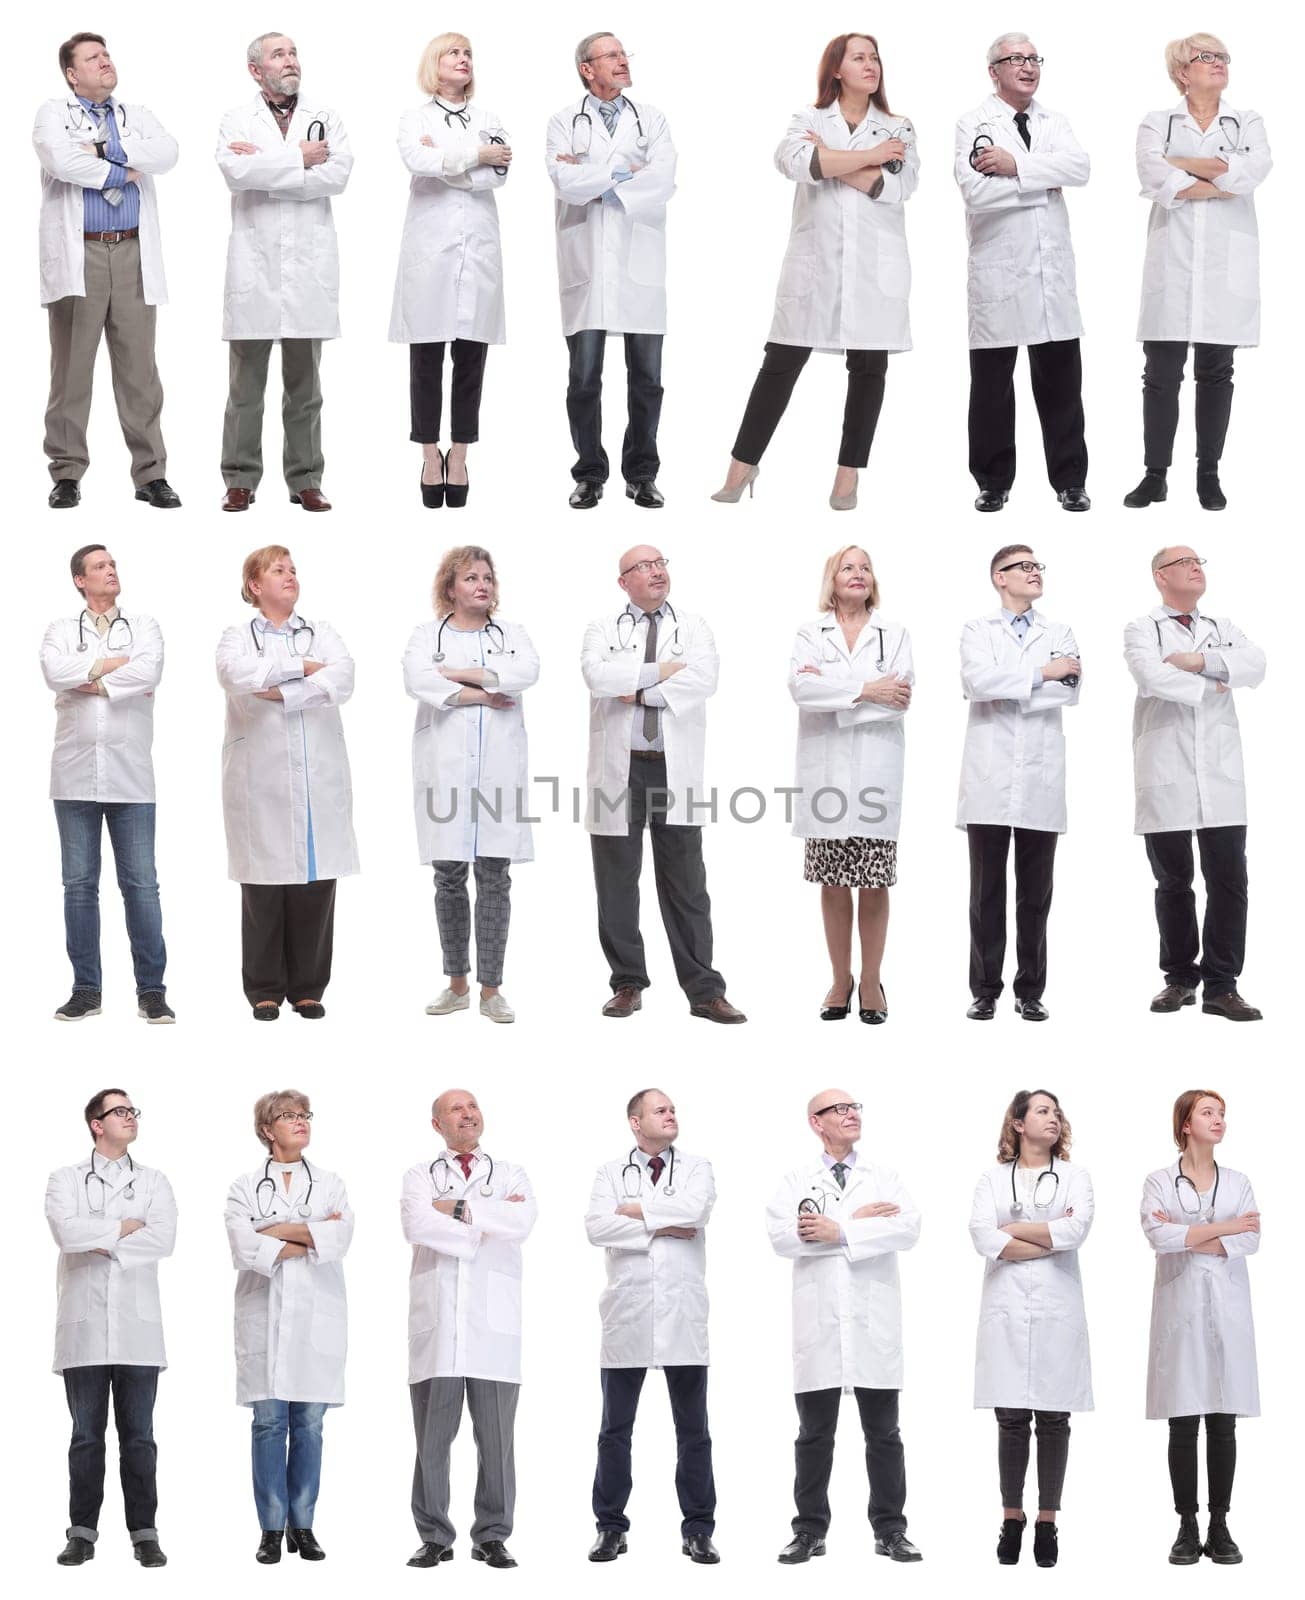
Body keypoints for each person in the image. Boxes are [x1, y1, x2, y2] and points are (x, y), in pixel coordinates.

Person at [713, 34, 918, 511]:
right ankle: (742, 467)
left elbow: (896, 187)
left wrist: (830, 160)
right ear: (836, 70)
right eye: (859, 58)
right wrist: (870, 156)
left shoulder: (900, 126)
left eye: (875, 57)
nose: (871, 65)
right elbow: (796, 163)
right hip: (815, 265)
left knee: (869, 367)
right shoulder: (807, 119)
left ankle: (848, 476)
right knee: (779, 363)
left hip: (875, 268)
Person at [581, 547, 745, 1023]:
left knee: (687, 884)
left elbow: (704, 679)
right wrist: (663, 673)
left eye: (661, 563)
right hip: (619, 768)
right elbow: (596, 675)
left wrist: (633, 689)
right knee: (616, 883)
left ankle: (704, 991)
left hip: (673, 767)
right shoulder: (601, 628)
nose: (656, 571)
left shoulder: (693, 626)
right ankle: (627, 983)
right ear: (623, 582)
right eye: (643, 567)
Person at [766, 1092, 923, 1565]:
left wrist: (836, 1231)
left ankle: (891, 1530)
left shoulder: (884, 1178)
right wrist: (854, 1223)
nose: (852, 1113)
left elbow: (908, 1230)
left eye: (855, 1106)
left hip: (873, 1325)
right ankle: (809, 1531)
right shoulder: (796, 1180)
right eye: (839, 1108)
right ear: (816, 1122)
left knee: (885, 1434)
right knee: (813, 1435)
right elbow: (782, 1237)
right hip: (819, 1328)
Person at [1126, 35, 1272, 512]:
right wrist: (1217, 177)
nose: (1219, 64)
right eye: (1206, 57)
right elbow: (1153, 177)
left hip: (1224, 268)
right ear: (1182, 72)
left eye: (1223, 57)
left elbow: (1250, 174)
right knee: (1160, 375)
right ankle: (1155, 475)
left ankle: (1208, 475)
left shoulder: (1247, 120)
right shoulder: (1156, 121)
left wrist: (1182, 167)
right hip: (1174, 265)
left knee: (1217, 373)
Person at [35, 34, 181, 510]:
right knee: (72, 372)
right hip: (84, 255)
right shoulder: (53, 115)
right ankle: (67, 473)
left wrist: (100, 152)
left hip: (134, 253)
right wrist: (121, 167)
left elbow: (167, 153)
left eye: (107, 54)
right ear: (72, 74)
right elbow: (62, 160)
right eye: (93, 58)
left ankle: (150, 475)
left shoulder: (134, 115)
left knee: (140, 373)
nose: (105, 61)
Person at [216, 547, 359, 1020]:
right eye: (278, 570)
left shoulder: (323, 632)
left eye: (293, 569)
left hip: (317, 774)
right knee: (263, 889)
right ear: (255, 585)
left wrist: (279, 689)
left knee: (314, 887)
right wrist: (304, 670)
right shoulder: (237, 637)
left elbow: (343, 679)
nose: (290, 576)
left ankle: (307, 987)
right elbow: (234, 674)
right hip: (262, 779)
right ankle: (264, 988)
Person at [1124, 547, 1265, 1020]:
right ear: (1160, 576)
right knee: (1173, 881)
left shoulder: (1225, 626)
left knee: (1229, 880)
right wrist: (1216, 672)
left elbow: (1257, 665)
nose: (1196, 566)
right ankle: (1181, 979)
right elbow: (1151, 674)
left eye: (1199, 560)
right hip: (1165, 771)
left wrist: (1192, 660)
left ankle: (1222, 986)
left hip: (1221, 775)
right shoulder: (1141, 628)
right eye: (1184, 562)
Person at [216, 33, 354, 513]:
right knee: (245, 389)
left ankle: (306, 477)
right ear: (256, 70)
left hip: (307, 271)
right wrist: (300, 160)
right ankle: (239, 478)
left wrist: (267, 169)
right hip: (255, 270)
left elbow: (337, 176)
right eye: (279, 54)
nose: (291, 60)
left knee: (305, 389)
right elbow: (235, 173)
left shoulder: (326, 116)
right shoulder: (237, 118)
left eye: (293, 52)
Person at [401, 1089, 537, 1571]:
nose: (468, 1114)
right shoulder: (420, 1175)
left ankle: (493, 1536)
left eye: (473, 1106)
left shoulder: (510, 1173)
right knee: (431, 1443)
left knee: (498, 1443)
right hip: (437, 1331)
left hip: (493, 1331)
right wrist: (485, 1218)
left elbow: (521, 1222)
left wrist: (454, 1209)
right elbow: (417, 1225)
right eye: (456, 1109)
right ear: (437, 1124)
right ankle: (434, 1536)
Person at [402, 547, 540, 1023]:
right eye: (470, 578)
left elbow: (526, 674)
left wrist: (455, 677)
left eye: (487, 578)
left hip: (498, 775)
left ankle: (491, 990)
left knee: (496, 879)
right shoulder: (426, 636)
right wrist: (484, 692)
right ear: (450, 588)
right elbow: (418, 680)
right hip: (446, 775)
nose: (482, 585)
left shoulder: (512, 634)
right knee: (449, 879)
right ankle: (456, 983)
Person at [954, 35, 1090, 514]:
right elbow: (976, 194)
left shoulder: (1056, 121)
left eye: (1034, 59)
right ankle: (992, 482)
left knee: (1062, 388)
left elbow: (1079, 168)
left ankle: (1070, 481)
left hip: (1051, 275)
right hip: (1000, 276)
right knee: (991, 390)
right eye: (1017, 59)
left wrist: (1016, 168)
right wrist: (1041, 180)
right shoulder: (973, 124)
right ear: (994, 70)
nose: (1029, 66)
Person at [584, 1088, 719, 1565]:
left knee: (694, 1431)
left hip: (683, 1316)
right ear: (635, 1122)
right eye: (660, 1110)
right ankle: (610, 1527)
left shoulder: (697, 1168)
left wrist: (636, 1212)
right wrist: (662, 1224)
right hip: (629, 1315)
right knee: (614, 1431)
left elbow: (696, 1211)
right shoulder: (608, 1172)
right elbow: (596, 1228)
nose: (671, 1114)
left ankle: (699, 1529)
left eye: (673, 1109)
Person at [40, 545, 173, 1024]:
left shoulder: (145, 628)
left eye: (113, 564)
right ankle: (86, 990)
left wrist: (88, 678)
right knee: (78, 887)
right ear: (80, 580)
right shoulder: (59, 630)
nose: (111, 570)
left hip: (131, 777)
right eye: (99, 566)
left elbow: (149, 670)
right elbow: (55, 672)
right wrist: (113, 669)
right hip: (73, 776)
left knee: (141, 887)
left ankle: (152, 992)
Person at [45, 1090, 177, 1568]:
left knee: (140, 1437)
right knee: (86, 1437)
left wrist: (100, 1234)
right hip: (83, 1329)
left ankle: (145, 1533)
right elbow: (66, 1233)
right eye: (120, 1111)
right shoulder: (64, 1179)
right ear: (96, 1124)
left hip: (138, 1332)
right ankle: (81, 1533)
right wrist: (125, 1226)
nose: (131, 1117)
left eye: (132, 1111)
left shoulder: (154, 1181)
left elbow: (163, 1238)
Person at [546, 34, 677, 509]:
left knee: (647, 381)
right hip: (586, 265)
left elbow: (663, 179)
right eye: (612, 56)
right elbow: (564, 182)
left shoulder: (653, 119)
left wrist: (595, 172)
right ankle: (589, 474)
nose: (623, 61)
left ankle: (642, 473)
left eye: (624, 54)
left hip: (638, 262)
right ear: (587, 68)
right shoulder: (563, 122)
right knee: (584, 380)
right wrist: (626, 171)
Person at [224, 1090, 354, 1565]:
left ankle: (304, 1524)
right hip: (264, 1320)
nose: (301, 1122)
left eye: (305, 1115)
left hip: (318, 1320)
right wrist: (310, 1231)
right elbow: (244, 1250)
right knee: (267, 1425)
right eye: (289, 1116)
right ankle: (271, 1528)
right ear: (266, 1129)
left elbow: (339, 1240)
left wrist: (273, 1229)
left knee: (310, 1426)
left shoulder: (331, 1182)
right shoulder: (243, 1186)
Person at [970, 1089, 1093, 1569]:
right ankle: (1011, 1518)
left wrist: (1013, 1232)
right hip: (1005, 1309)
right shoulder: (992, 1179)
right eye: (1042, 1111)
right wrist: (1048, 1237)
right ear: (1017, 1124)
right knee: (1011, 1420)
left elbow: (1077, 1230)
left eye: (1057, 1111)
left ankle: (1047, 1522)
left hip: (1058, 1308)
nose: (1054, 1118)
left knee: (1055, 1421)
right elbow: (983, 1236)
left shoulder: (1075, 1176)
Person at [789, 547, 912, 1023]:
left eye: (865, 567)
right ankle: (841, 980)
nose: (858, 573)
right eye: (848, 566)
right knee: (833, 880)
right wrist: (864, 688)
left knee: (875, 881)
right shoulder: (809, 633)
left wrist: (835, 690)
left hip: (877, 773)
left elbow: (899, 697)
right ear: (831, 579)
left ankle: (873, 980)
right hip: (825, 774)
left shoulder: (895, 634)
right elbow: (800, 690)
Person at [958, 545, 1081, 1023]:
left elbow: (1069, 690)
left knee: (1036, 897)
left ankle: (1030, 990)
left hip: (1040, 780)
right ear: (998, 577)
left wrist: (1018, 682)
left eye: (1037, 566)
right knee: (986, 895)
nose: (1034, 572)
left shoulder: (1061, 631)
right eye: (1023, 566)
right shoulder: (976, 630)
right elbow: (976, 682)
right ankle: (985, 989)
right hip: (989, 779)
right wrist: (1039, 674)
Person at [390, 34, 511, 509]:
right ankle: (428, 453)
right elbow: (416, 160)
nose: (463, 60)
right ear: (434, 65)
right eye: (453, 53)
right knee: (425, 360)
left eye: (468, 54)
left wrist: (449, 160)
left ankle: (459, 453)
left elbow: (501, 173)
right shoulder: (413, 119)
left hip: (478, 248)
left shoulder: (490, 119)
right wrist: (476, 156)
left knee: (471, 359)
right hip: (431, 249)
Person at [1141, 1090, 1259, 1566]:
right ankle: (1187, 1525)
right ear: (1185, 1124)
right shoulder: (1158, 1181)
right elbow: (1157, 1235)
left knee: (1224, 1421)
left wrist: (1193, 1234)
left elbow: (1251, 1237)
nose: (1219, 1120)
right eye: (1208, 1112)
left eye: (1222, 1113)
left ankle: (1221, 1524)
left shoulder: (1238, 1181)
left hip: (1227, 1311)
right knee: (1183, 1421)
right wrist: (1223, 1228)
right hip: (1181, 1310)